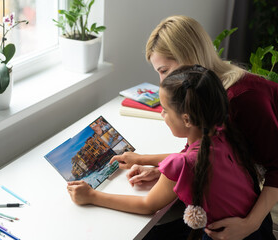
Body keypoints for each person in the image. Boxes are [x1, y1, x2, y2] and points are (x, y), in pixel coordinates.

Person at [110, 15, 278, 240]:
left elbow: (277, 167)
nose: (162, 82)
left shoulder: (244, 99)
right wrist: (157, 168)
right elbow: (202, 152)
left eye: (164, 70)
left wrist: (250, 224)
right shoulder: (205, 96)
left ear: (189, 57)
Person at [68, 65, 273, 239]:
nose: (162, 114)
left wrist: (93, 196)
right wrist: (140, 158)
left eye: (165, 110)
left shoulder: (185, 164)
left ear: (186, 119)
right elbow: (190, 158)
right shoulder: (220, 132)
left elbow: (148, 204)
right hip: (260, 228)